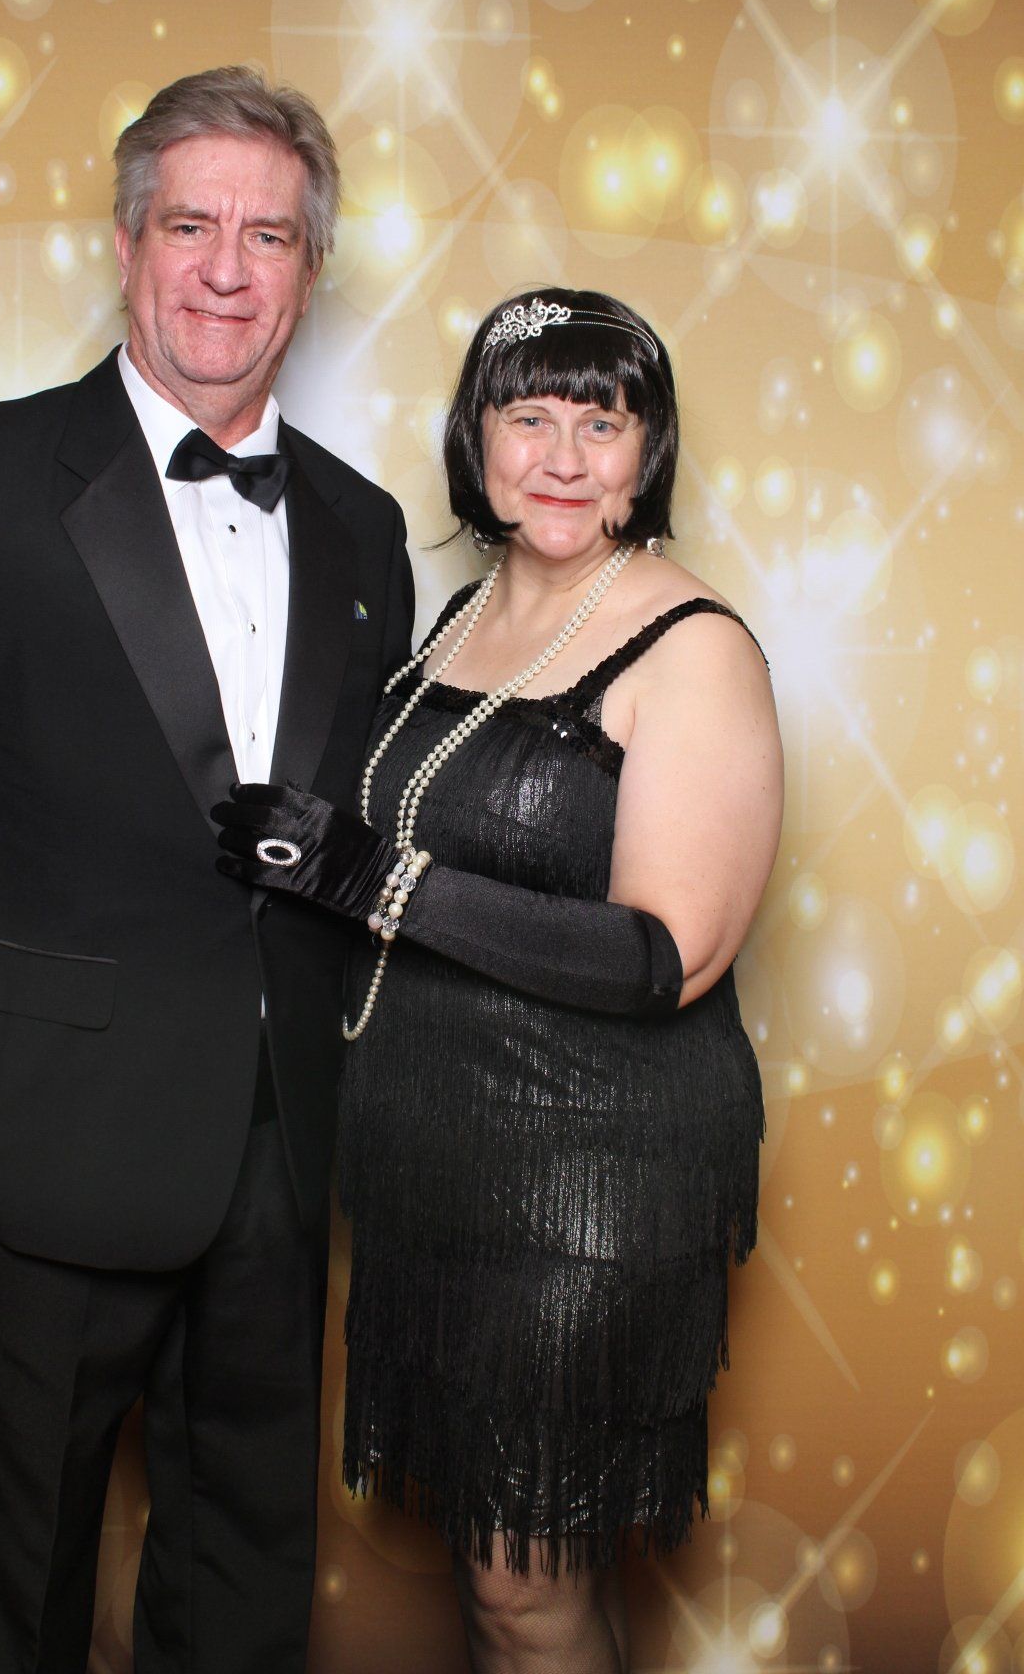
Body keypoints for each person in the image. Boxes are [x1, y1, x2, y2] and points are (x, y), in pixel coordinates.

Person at [0, 65, 414, 1673]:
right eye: (191, 226)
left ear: (310, 269)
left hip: (282, 1162)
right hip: (48, 1152)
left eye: (268, 236)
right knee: (3, 1605)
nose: (227, 270)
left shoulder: (366, 528)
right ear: (128, 243)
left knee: (247, 1599)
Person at [214, 287, 782, 1674]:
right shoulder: (460, 616)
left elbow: (666, 954)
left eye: (603, 423)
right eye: (530, 418)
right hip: (436, 1167)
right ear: (476, 440)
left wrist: (377, 880)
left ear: (648, 453)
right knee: (494, 1587)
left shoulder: (692, 644)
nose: (564, 458)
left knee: (527, 1592)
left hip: (588, 1182)